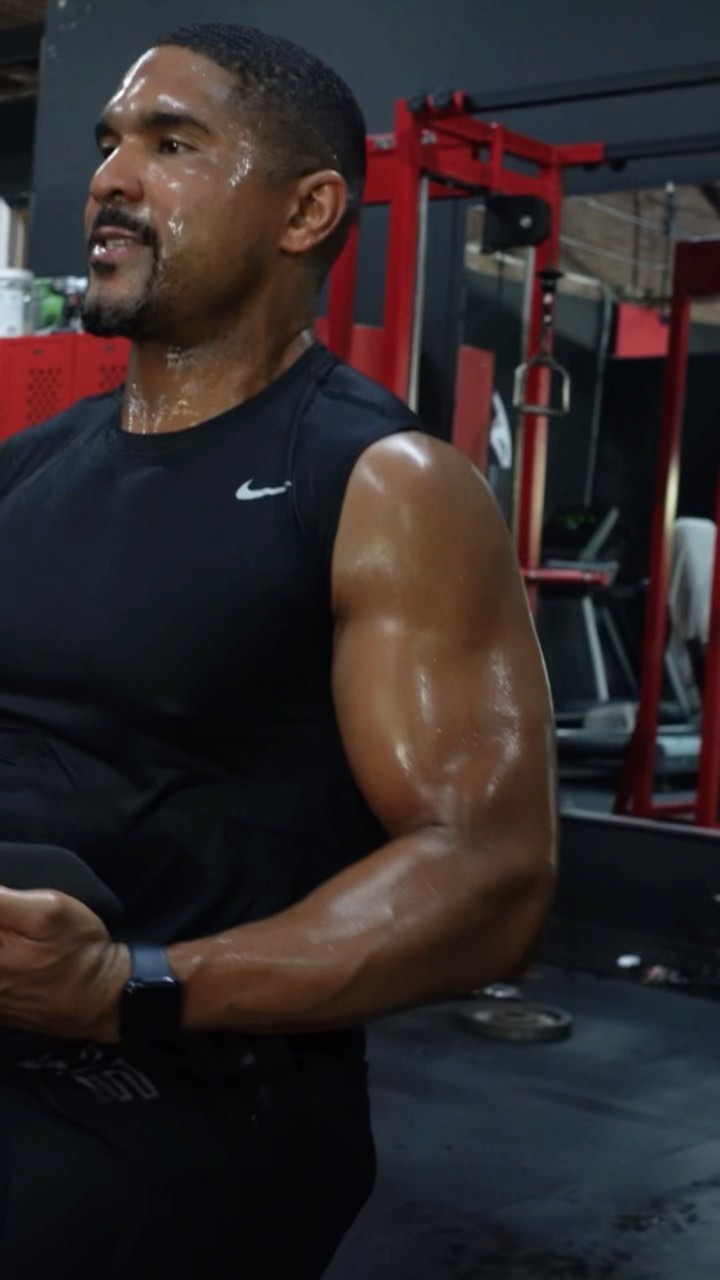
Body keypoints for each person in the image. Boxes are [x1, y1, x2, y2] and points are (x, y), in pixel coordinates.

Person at [0, 22, 556, 1280]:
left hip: (180, 1082)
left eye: (171, 144)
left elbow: (490, 879)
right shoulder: (26, 469)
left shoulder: (381, 484)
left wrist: (127, 984)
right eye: (108, 143)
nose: (110, 178)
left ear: (307, 211)